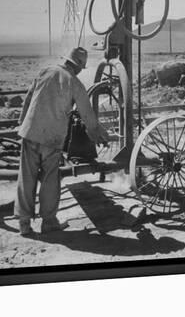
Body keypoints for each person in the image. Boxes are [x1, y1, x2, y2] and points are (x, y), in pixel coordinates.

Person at [16, 47, 109, 236]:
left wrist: (21, 124)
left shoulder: (45, 71)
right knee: (50, 178)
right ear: (79, 67)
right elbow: (88, 116)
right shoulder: (74, 83)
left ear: (66, 60)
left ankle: (24, 224)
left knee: (26, 177)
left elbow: (28, 99)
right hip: (52, 138)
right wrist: (99, 136)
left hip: (30, 133)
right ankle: (49, 222)